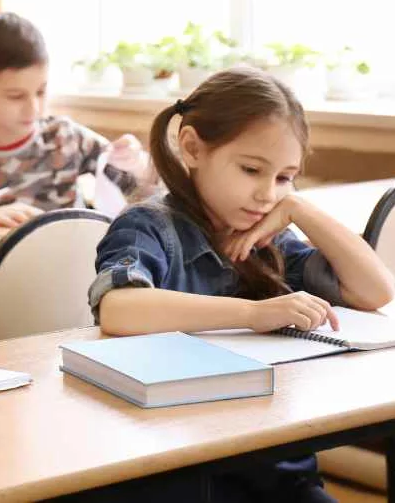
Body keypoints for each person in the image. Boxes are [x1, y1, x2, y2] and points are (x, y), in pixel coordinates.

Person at [90, 67, 395, 502]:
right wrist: (252, 315)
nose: (266, 194)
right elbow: (119, 307)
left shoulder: (270, 239)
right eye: (252, 170)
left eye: (284, 177)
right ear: (193, 148)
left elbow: (377, 290)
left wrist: (299, 209)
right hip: (187, 474)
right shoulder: (149, 226)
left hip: (276, 471)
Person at [0, 13, 152, 228]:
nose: (34, 108)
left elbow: (141, 190)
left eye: (41, 91)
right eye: (16, 96)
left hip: (73, 255)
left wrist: (136, 162)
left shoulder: (66, 138)